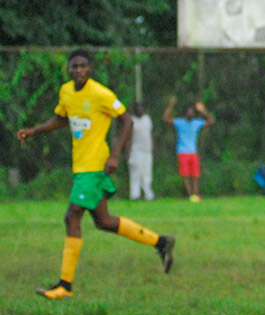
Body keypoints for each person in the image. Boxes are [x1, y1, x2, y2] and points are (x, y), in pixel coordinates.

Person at [17, 49, 175, 300]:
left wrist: (114, 155)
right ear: (69, 69)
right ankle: (161, 242)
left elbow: (127, 121)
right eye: (74, 66)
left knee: (72, 217)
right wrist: (34, 130)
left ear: (90, 69)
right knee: (104, 221)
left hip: (94, 165)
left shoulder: (101, 93)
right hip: (81, 166)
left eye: (83, 66)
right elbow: (61, 119)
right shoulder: (66, 91)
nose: (78, 70)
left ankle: (64, 286)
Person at [162, 96, 214, 202]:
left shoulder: (196, 123)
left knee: (195, 175)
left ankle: (196, 194)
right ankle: (190, 195)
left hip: (193, 152)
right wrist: (171, 105)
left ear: (194, 114)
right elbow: (166, 118)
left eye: (192, 112)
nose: (190, 114)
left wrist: (203, 110)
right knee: (185, 175)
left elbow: (211, 121)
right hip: (183, 152)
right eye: (188, 112)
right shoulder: (180, 122)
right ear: (185, 113)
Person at [127, 102, 154, 201]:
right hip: (136, 150)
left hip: (147, 150)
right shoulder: (132, 121)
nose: (140, 110)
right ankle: (134, 194)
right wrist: (128, 152)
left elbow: (150, 134)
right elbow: (128, 138)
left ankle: (148, 195)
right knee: (135, 173)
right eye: (138, 108)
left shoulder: (147, 119)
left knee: (147, 173)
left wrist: (154, 148)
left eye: (142, 108)